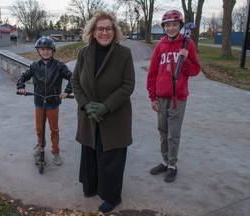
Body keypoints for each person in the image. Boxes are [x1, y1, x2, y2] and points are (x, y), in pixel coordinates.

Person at [71, 10, 135, 213]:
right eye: (100, 29)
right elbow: (74, 81)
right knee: (90, 152)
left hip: (115, 116)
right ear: (93, 31)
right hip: (89, 116)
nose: (104, 32)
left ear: (115, 31)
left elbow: (128, 85)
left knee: (111, 158)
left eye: (108, 28)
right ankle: (91, 186)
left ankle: (112, 196)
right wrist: (86, 104)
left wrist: (106, 106)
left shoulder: (124, 53)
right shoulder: (84, 52)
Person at [146, 10, 201, 182]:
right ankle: (164, 161)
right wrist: (152, 97)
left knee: (173, 134)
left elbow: (195, 71)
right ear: (163, 27)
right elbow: (152, 73)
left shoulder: (187, 44)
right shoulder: (160, 46)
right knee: (163, 131)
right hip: (161, 97)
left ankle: (172, 165)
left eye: (174, 25)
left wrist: (185, 60)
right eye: (168, 25)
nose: (171, 28)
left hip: (178, 98)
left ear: (180, 27)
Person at [17, 37, 72, 166]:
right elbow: (23, 77)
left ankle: (56, 152)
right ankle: (40, 145)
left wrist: (66, 91)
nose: (45, 52)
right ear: (39, 51)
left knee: (54, 129)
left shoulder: (59, 66)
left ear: (53, 50)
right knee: (39, 128)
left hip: (53, 102)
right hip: (39, 101)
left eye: (48, 49)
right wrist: (21, 87)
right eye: (42, 49)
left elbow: (73, 78)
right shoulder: (35, 65)